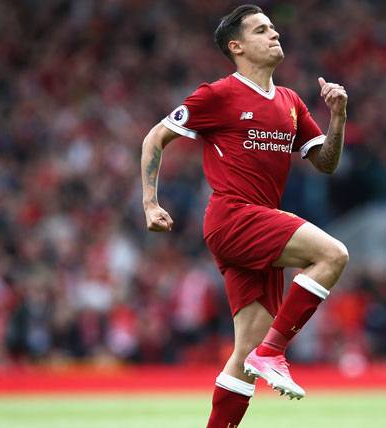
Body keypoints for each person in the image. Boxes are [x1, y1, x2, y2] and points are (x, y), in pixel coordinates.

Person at [140, 4, 349, 427]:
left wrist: (339, 116)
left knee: (244, 357)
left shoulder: (290, 102)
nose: (274, 35)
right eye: (261, 30)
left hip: (258, 226)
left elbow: (325, 162)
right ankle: (274, 352)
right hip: (233, 216)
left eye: (273, 28)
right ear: (236, 46)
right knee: (333, 255)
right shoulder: (217, 95)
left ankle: (259, 360)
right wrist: (150, 202)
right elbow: (154, 138)